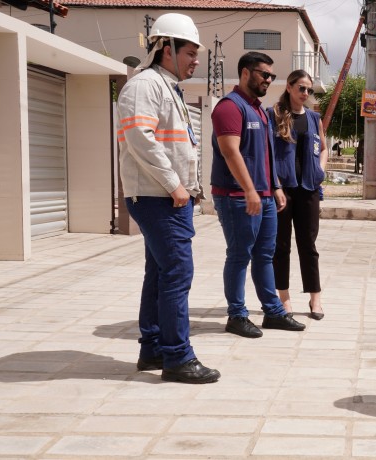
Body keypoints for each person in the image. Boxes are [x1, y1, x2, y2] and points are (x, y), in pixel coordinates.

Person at [117, 13, 220, 384]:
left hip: (164, 196)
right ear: (166, 48)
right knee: (177, 273)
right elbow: (141, 138)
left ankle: (154, 349)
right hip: (159, 196)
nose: (196, 59)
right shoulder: (145, 86)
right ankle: (177, 357)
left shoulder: (167, 87)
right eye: (190, 52)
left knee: (160, 273)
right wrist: (176, 185)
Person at [211, 51, 306, 338]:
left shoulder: (258, 111)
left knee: (265, 255)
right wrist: (250, 190)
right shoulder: (229, 107)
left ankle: (273, 312)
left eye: (271, 76)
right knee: (239, 255)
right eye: (264, 74)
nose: (268, 79)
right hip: (237, 197)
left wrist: (274, 187)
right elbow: (230, 151)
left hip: (263, 196)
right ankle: (236, 315)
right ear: (244, 72)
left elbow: (266, 155)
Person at [267, 70, 328, 320]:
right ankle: (285, 298)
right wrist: (275, 186)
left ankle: (315, 298)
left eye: (309, 90)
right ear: (289, 87)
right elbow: (267, 154)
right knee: (281, 245)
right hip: (284, 189)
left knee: (308, 244)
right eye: (301, 88)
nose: (305, 93)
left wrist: (321, 169)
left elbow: (323, 148)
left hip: (309, 189)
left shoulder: (314, 118)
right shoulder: (275, 115)